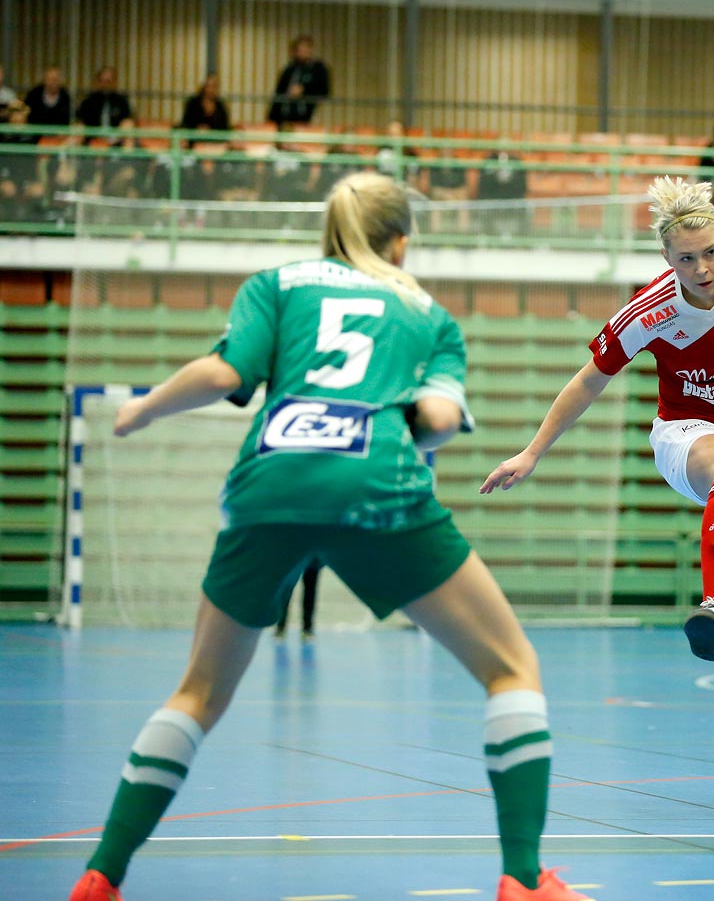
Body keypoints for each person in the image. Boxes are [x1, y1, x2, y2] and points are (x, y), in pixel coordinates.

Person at [67, 172, 591, 901]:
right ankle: (525, 878)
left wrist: (145, 410)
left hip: (267, 487)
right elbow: (437, 422)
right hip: (377, 487)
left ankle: (101, 875)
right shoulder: (427, 312)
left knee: (199, 691)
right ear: (401, 242)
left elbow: (223, 372)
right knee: (511, 667)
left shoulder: (275, 285)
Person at [480, 175, 714, 810]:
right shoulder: (649, 311)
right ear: (665, 260)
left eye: (709, 253)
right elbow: (586, 383)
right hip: (689, 433)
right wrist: (534, 450)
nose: (700, 268)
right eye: (684, 259)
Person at [267, 34, 332, 126]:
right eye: (299, 50)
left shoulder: (318, 69)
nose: (302, 53)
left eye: (305, 49)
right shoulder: (289, 69)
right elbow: (279, 93)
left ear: (311, 50)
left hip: (304, 115)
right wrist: (270, 118)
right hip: (283, 115)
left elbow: (324, 91)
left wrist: (303, 90)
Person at [273, 560, 321, 641]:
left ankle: (307, 628)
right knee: (287, 589)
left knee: (309, 589)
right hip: (294, 558)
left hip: (311, 559)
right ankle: (280, 627)